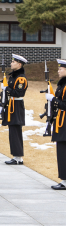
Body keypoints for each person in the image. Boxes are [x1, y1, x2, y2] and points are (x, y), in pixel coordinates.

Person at [2, 54, 29, 165]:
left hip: (16, 106)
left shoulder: (21, 78)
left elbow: (19, 92)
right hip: (11, 104)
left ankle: (18, 157)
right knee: (13, 131)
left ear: (19, 64)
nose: (11, 63)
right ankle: (16, 156)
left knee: (16, 131)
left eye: (13, 62)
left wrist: (6, 89)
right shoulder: (14, 76)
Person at [47, 60, 66, 189]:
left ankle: (65, 181)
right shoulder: (62, 84)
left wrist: (53, 99)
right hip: (61, 121)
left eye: (61, 69)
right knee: (61, 151)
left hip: (64, 122)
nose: (58, 70)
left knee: (63, 151)